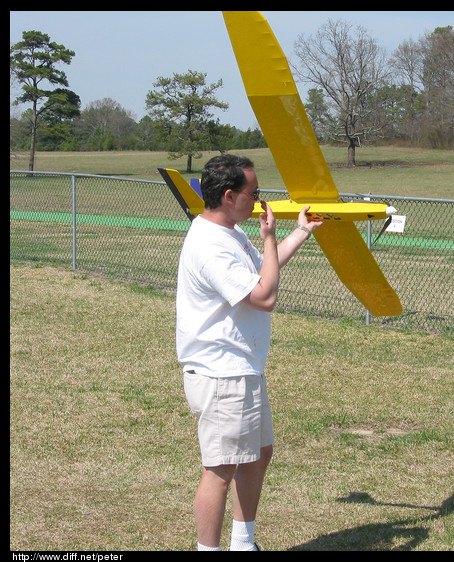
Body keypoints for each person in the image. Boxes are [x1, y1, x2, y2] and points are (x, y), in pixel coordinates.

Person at [176, 154, 322, 551]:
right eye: (254, 193)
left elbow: (263, 269)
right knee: (219, 470)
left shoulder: (229, 231)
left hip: (242, 368)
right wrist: (270, 236)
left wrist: (300, 233)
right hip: (222, 373)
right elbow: (265, 295)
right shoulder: (210, 245)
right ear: (228, 196)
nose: (259, 200)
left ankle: (244, 543)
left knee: (258, 455)